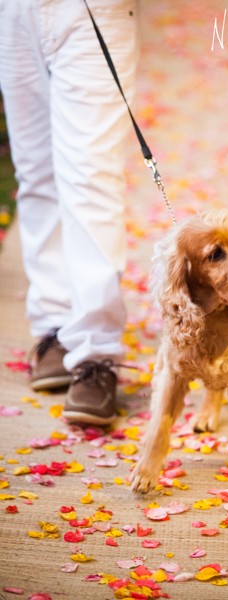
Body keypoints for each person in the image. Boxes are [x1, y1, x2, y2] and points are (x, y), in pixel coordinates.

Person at [0, 0, 139, 425]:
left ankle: (96, 354)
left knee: (90, 178)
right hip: (15, 12)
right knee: (36, 175)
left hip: (92, 9)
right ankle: (55, 328)